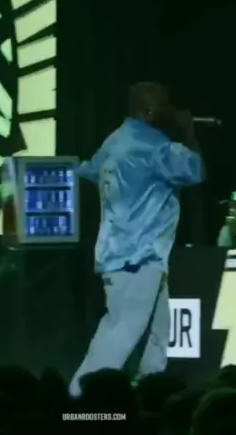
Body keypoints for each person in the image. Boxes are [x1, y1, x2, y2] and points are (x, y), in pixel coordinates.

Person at [70, 82, 204, 397]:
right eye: (166, 105)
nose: (171, 111)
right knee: (122, 332)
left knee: (160, 331)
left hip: (129, 253)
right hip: (138, 257)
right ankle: (80, 399)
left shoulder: (115, 139)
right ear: (150, 110)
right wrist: (188, 131)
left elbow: (89, 171)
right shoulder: (154, 146)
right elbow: (196, 170)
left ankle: (147, 390)